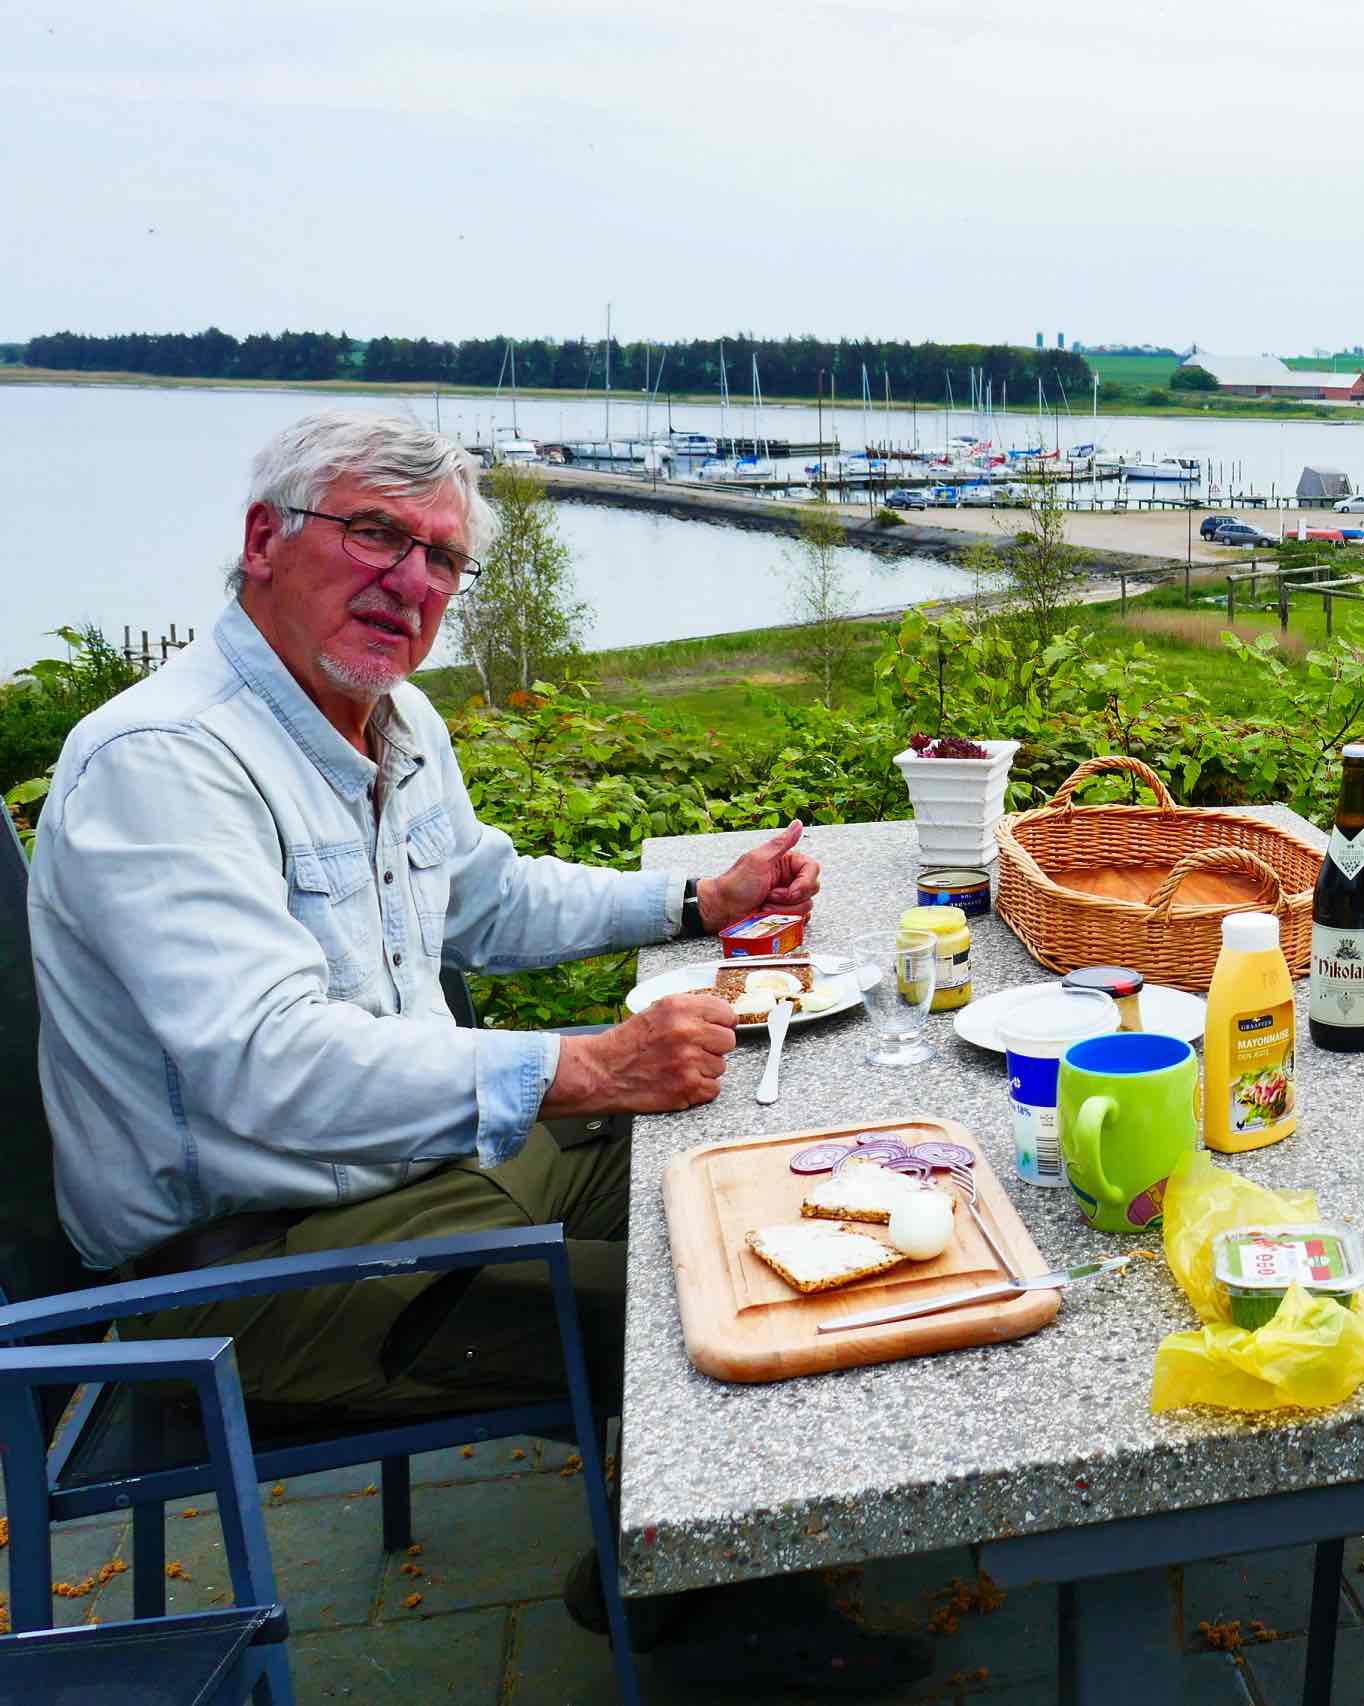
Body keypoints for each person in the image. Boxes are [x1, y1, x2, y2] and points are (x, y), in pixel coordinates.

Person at [31, 410, 922, 1693]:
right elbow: (265, 1064)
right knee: (722, 1308)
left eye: (441, 557)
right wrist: (588, 1066)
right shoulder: (165, 761)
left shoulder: (384, 718)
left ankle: (674, 1552)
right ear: (264, 540)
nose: (411, 580)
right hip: (254, 1269)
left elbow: (486, 899)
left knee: (756, 1175)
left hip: (415, 1172)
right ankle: (728, 1631)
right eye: (375, 533)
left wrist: (693, 904)